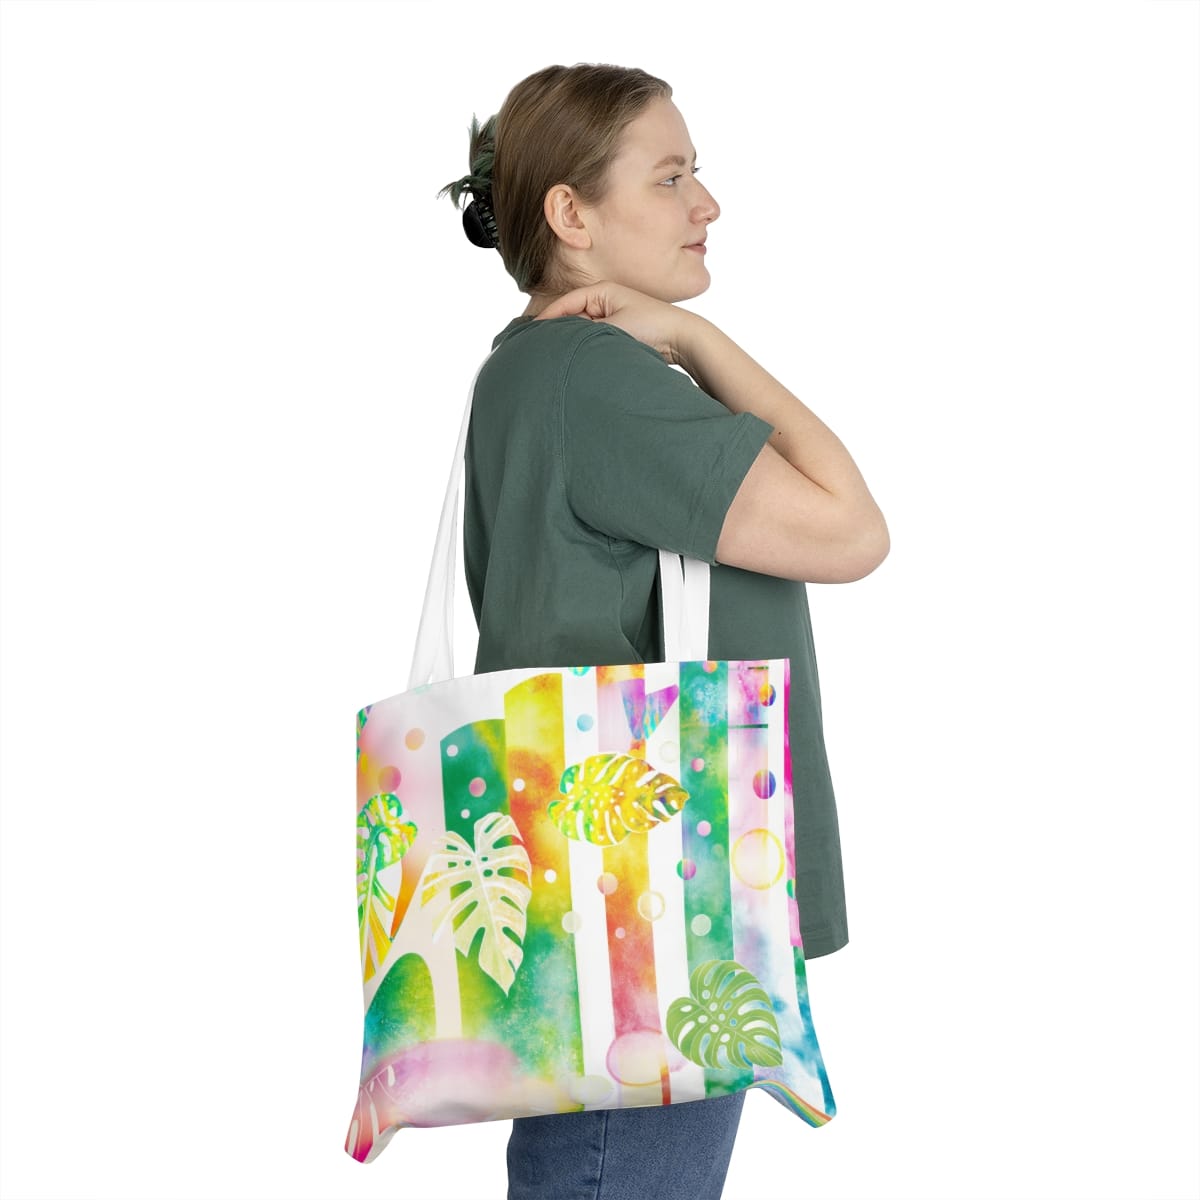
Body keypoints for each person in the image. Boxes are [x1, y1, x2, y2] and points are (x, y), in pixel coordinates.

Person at [438, 62, 889, 1200]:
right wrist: (701, 345)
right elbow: (851, 530)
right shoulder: (602, 376)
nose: (708, 205)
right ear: (571, 215)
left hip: (593, 900)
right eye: (673, 174)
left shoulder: (523, 369)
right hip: (658, 915)